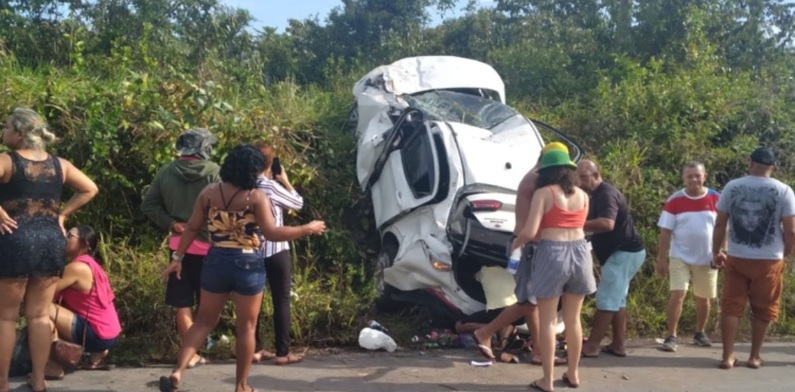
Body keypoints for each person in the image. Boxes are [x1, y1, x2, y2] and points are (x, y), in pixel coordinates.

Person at [157, 144, 325, 392]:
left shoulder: (209, 193)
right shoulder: (255, 197)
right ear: (252, 169)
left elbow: (192, 227)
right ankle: (241, 386)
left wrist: (178, 256)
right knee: (246, 327)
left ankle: (178, 371)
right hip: (247, 263)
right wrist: (306, 229)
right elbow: (273, 232)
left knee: (203, 321)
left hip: (215, 261)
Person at [0, 107, 98, 392]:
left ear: (19, 133)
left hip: (14, 239)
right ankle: (40, 380)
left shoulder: (7, 161)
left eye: (6, 128)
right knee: (40, 316)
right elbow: (90, 188)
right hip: (50, 241)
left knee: (6, 316)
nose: (3, 132)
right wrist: (63, 215)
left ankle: (3, 383)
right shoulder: (60, 165)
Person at [512, 149, 596, 392]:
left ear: (545, 172)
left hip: (552, 252)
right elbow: (578, 225)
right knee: (573, 319)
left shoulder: (543, 193)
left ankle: (547, 381)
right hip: (581, 253)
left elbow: (529, 231)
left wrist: (516, 245)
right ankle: (573, 373)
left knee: (548, 321)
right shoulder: (583, 195)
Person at [141, 128, 220, 368]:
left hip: (178, 248)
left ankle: (190, 354)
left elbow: (149, 204)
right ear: (204, 148)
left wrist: (171, 223)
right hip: (210, 247)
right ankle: (194, 351)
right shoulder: (215, 172)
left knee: (182, 302)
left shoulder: (166, 171)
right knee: (207, 304)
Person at [712, 147, 795, 370]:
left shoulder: (732, 186)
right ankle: (754, 356)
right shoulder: (784, 190)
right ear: (773, 167)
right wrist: (786, 251)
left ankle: (728, 356)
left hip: (737, 256)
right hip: (769, 259)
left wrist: (716, 251)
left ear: (750, 163)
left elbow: (720, 223)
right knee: (764, 307)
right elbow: (791, 230)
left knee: (731, 306)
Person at [577, 159, 646, 359]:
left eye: (584, 177)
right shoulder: (596, 194)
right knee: (618, 299)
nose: (580, 182)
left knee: (607, 298)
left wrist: (577, 224)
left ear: (596, 175)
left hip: (623, 252)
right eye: (578, 178)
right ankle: (618, 345)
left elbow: (607, 223)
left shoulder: (606, 193)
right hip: (625, 252)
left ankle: (591, 346)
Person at [655, 161, 720, 352]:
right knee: (678, 294)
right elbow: (665, 232)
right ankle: (671, 336)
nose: (694, 179)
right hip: (679, 256)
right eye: (689, 176)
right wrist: (661, 259)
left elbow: (724, 227)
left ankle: (700, 332)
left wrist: (721, 251)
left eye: (697, 175)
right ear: (683, 178)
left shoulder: (716, 198)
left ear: (704, 176)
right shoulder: (675, 200)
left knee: (704, 297)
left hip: (707, 256)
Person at [251, 144, 305, 365]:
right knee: (281, 300)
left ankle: (254, 349)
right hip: (276, 249)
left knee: (252, 302)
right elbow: (298, 203)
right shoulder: (269, 186)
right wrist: (285, 180)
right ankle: (282, 353)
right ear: (269, 164)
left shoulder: (242, 186)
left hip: (250, 250)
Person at [48, 225, 121, 379]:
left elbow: (45, 292)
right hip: (108, 334)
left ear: (84, 243)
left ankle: (52, 364)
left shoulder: (77, 267)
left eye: (70, 235)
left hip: (97, 334)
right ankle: (97, 355)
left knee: (40, 307)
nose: (64, 238)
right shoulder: (92, 265)